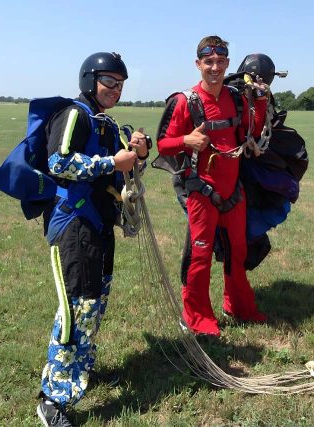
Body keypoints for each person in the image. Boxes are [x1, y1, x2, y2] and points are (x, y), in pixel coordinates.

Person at [36, 52, 149, 427]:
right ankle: (52, 398)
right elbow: (60, 162)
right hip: (74, 225)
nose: (116, 89)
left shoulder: (106, 123)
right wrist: (110, 163)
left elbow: (122, 171)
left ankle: (79, 370)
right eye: (109, 81)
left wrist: (137, 154)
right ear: (89, 80)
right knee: (77, 307)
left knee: (95, 302)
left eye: (120, 83)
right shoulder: (74, 115)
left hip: (99, 224)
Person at [156, 36, 269, 337]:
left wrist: (259, 101)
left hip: (233, 192)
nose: (215, 67)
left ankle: (239, 307)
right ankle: (198, 318)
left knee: (238, 253)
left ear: (228, 64)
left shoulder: (235, 99)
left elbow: (250, 132)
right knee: (200, 256)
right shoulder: (184, 102)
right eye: (209, 62)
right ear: (198, 65)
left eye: (220, 62)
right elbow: (163, 145)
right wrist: (186, 140)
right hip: (201, 192)